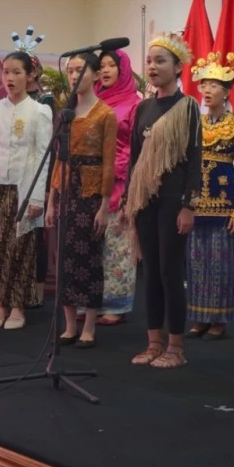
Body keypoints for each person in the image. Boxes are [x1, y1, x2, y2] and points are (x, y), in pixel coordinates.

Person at [123, 32, 202, 369]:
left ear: (177, 66)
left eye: (161, 61)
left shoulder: (189, 107)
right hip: (146, 202)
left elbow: (195, 160)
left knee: (171, 272)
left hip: (173, 201)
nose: (153, 67)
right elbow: (135, 161)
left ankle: (176, 347)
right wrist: (130, 203)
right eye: (150, 61)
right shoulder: (142, 107)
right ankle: (153, 342)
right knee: (150, 272)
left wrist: (189, 205)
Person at [0, 52, 52, 330]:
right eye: (6, 71)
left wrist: (37, 196)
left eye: (17, 72)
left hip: (25, 187)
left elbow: (43, 156)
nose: (10, 77)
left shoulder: (40, 111)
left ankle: (18, 307)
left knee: (22, 248)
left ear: (30, 76)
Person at [49, 53, 116, 347]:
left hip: (90, 192)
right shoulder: (64, 113)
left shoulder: (106, 114)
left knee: (89, 257)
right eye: (71, 70)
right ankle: (68, 324)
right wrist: (51, 201)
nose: (74, 75)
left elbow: (110, 164)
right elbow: (56, 160)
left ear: (96, 75)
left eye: (80, 70)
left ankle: (88, 325)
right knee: (64, 257)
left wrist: (104, 205)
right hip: (65, 190)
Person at [186, 51, 234, 339]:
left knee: (220, 261)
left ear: (226, 91)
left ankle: (219, 318)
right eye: (204, 85)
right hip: (197, 200)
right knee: (196, 260)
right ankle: (199, 315)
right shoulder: (195, 122)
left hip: (223, 201)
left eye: (214, 85)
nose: (207, 90)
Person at [91, 49, 141, 325]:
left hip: (121, 181)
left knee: (117, 244)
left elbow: (136, 146)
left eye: (112, 65)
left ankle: (117, 305)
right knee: (94, 245)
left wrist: (121, 172)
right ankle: (94, 301)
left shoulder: (135, 103)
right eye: (102, 66)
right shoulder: (92, 101)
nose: (106, 70)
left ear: (124, 70)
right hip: (92, 180)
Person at [13, 26, 56, 309]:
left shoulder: (46, 102)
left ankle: (37, 285)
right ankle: (16, 285)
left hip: (39, 169)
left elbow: (48, 145)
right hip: (13, 172)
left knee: (36, 232)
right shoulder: (9, 102)